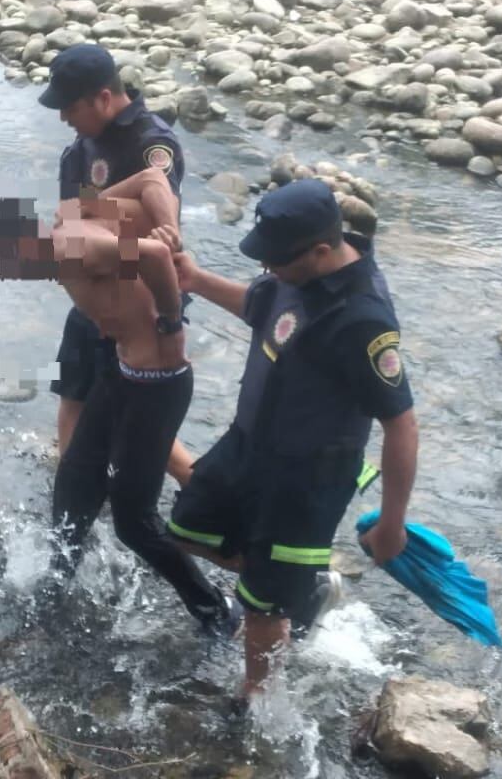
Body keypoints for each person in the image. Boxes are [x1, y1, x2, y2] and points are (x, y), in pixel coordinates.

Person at [162, 179, 419, 697]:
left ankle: (255, 703)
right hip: (250, 445)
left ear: (321, 250)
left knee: (260, 605)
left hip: (307, 477)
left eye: (276, 261)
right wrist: (195, 279)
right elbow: (263, 306)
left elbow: (402, 424)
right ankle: (303, 590)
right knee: (187, 527)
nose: (267, 269)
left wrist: (393, 523)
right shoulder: (294, 271)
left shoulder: (364, 319)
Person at [0, 169, 238, 633]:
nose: (7, 274)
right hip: (122, 373)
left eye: (3, 261)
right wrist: (162, 219)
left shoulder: (75, 246)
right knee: (74, 478)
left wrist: (171, 323)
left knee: (134, 523)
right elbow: (150, 177)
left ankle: (217, 609)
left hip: (158, 384)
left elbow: (151, 254)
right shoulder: (73, 214)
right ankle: (60, 578)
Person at [39, 43, 193, 484]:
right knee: (72, 393)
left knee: (138, 421)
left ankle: (205, 495)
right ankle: (70, 493)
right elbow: (74, 214)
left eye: (70, 107)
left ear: (103, 97)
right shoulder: (81, 148)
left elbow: (156, 223)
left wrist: (84, 219)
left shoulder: (150, 143)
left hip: (138, 298)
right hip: (94, 296)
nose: (64, 118)